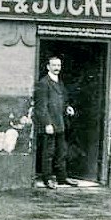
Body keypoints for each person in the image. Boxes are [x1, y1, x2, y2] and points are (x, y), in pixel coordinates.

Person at [34, 56, 77, 189]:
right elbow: (41, 106)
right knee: (49, 152)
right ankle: (47, 179)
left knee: (62, 152)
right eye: (54, 65)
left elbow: (62, 100)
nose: (57, 68)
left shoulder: (59, 82)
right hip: (50, 125)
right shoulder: (43, 83)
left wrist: (67, 107)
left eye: (58, 65)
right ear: (48, 67)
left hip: (60, 122)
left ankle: (62, 178)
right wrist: (47, 123)